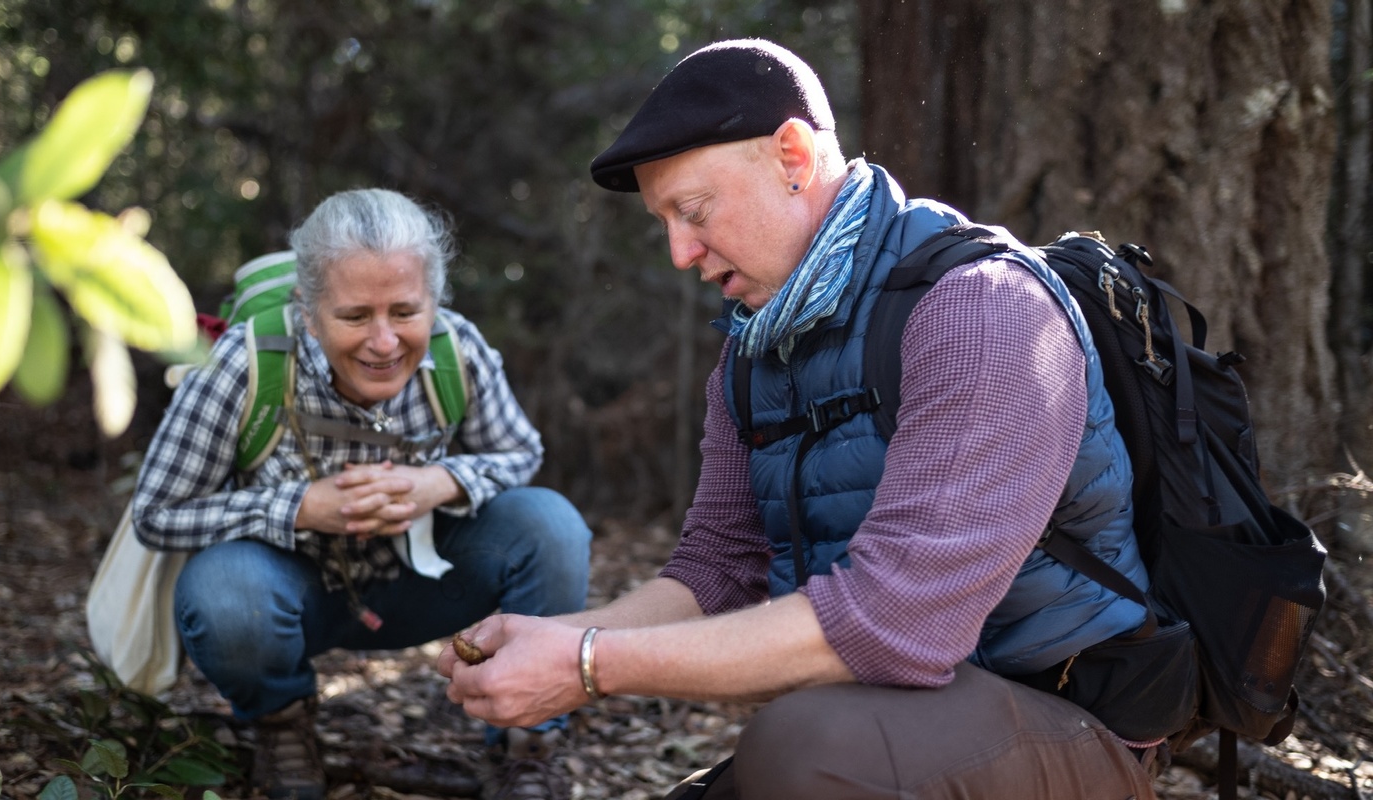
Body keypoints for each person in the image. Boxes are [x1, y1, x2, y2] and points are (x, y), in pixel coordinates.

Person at [438, 39, 1165, 799]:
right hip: (899, 725)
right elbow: (718, 569)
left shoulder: (981, 308)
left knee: (802, 750)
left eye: (692, 210)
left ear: (792, 155)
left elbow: (894, 620)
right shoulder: (752, 355)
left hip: (1074, 727)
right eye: (664, 223)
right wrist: (559, 636)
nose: (681, 252)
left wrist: (589, 666)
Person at [132, 188, 591, 800]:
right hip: (290, 598)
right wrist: (299, 507)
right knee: (223, 592)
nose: (383, 342)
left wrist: (440, 482)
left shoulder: (458, 349)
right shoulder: (245, 364)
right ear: (310, 308)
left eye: (405, 312)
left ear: (434, 300)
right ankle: (282, 729)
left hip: (427, 587)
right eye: (355, 317)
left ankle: (528, 744)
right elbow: (157, 514)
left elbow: (520, 452)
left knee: (551, 526)